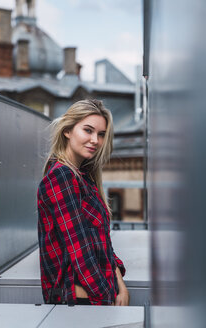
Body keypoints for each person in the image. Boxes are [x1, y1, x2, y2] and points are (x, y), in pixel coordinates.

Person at [37, 99, 129, 306]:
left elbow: (102, 242)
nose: (95, 140)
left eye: (101, 134)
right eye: (88, 130)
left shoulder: (84, 177)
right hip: (78, 299)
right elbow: (79, 250)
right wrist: (107, 297)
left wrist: (120, 284)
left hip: (96, 292)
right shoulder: (61, 176)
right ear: (67, 131)